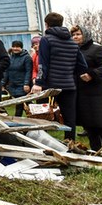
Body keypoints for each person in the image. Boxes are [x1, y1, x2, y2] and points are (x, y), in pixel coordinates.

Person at [31, 12, 87, 140]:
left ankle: (42, 141)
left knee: (42, 114)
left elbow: (42, 63)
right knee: (69, 117)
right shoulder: (72, 42)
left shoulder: (46, 39)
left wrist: (39, 82)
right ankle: (70, 143)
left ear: (47, 25)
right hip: (69, 85)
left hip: (51, 85)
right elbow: (82, 66)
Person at [70, 26, 102, 150]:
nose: (75, 37)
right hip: (81, 95)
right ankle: (96, 152)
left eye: (78, 34)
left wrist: (92, 74)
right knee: (89, 126)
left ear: (85, 34)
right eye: (73, 35)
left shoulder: (96, 49)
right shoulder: (74, 51)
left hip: (97, 94)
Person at [4, 41, 32, 116]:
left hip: (22, 85)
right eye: (14, 47)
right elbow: (7, 71)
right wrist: (3, 83)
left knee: (21, 104)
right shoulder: (11, 57)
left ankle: (17, 120)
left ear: (21, 48)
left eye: (17, 47)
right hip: (13, 85)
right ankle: (35, 118)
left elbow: (28, 71)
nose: (15, 48)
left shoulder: (26, 57)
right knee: (22, 104)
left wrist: (26, 83)